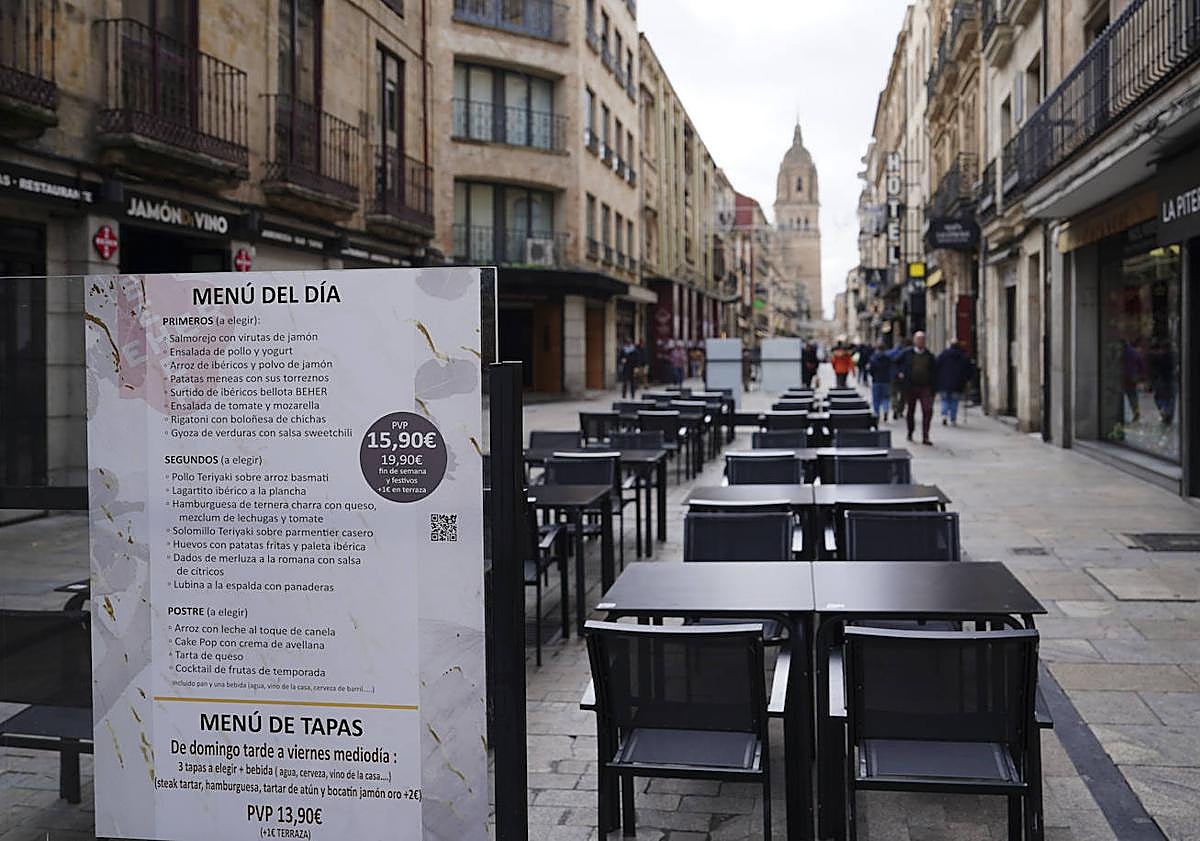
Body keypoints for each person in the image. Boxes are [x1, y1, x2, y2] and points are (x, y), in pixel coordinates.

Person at [895, 330, 936, 445]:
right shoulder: (907, 353)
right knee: (910, 411)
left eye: (922, 340)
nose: (920, 342)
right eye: (918, 339)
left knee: (927, 410)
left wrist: (934, 388)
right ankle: (910, 431)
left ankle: (925, 436)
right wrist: (899, 373)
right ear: (914, 341)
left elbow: (934, 371)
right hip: (910, 386)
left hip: (925, 386)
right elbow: (895, 362)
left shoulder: (929, 355)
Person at [934, 338, 974, 426]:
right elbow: (969, 370)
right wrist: (967, 379)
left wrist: (937, 379)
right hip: (957, 383)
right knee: (954, 401)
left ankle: (944, 415)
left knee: (944, 400)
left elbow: (936, 366)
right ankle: (953, 419)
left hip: (943, 382)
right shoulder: (963, 356)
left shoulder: (943, 354)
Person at [866, 341, 894, 421]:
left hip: (876, 381)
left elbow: (870, 370)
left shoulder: (873, 358)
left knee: (876, 399)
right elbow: (891, 368)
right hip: (886, 381)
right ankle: (885, 410)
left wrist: (873, 376)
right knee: (886, 398)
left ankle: (877, 414)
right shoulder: (888, 358)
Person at [887, 337, 910, 420]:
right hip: (903, 376)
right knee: (903, 394)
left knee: (893, 394)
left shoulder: (890, 353)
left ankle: (895, 408)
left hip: (892, 376)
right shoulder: (906, 353)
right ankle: (900, 410)